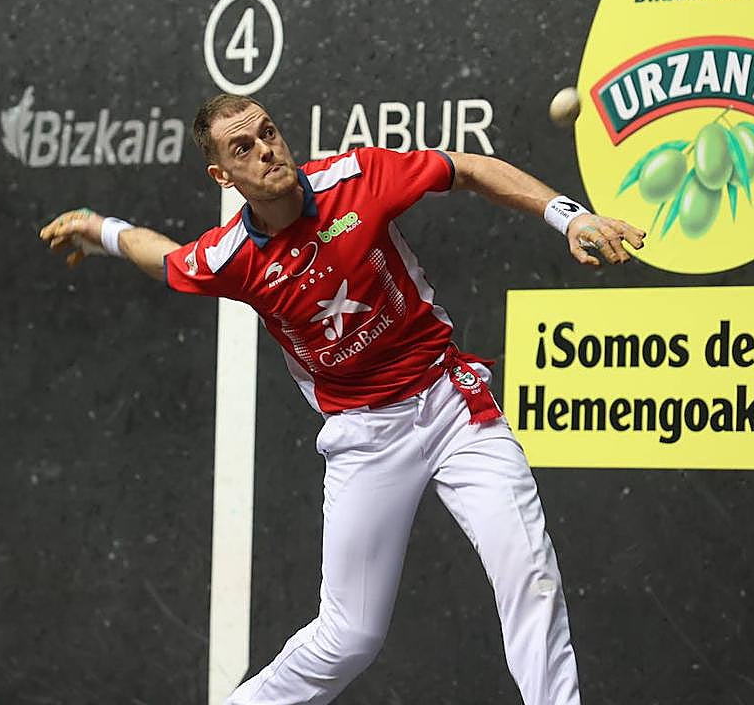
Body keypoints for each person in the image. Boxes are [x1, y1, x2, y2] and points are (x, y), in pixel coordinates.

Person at [39, 93, 645, 705]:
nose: (266, 150)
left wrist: (569, 217)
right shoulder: (235, 257)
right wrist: (101, 230)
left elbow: (465, 168)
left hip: (452, 405)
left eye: (268, 133)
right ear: (223, 177)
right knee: (351, 635)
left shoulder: (355, 181)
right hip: (364, 438)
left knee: (529, 572)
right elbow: (167, 260)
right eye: (242, 149)